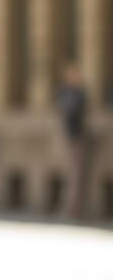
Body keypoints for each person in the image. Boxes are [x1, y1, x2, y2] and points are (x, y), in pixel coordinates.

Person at [56, 62, 88, 219]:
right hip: (69, 137)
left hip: (76, 137)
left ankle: (72, 208)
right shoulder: (67, 93)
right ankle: (68, 208)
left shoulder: (78, 93)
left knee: (75, 174)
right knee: (71, 174)